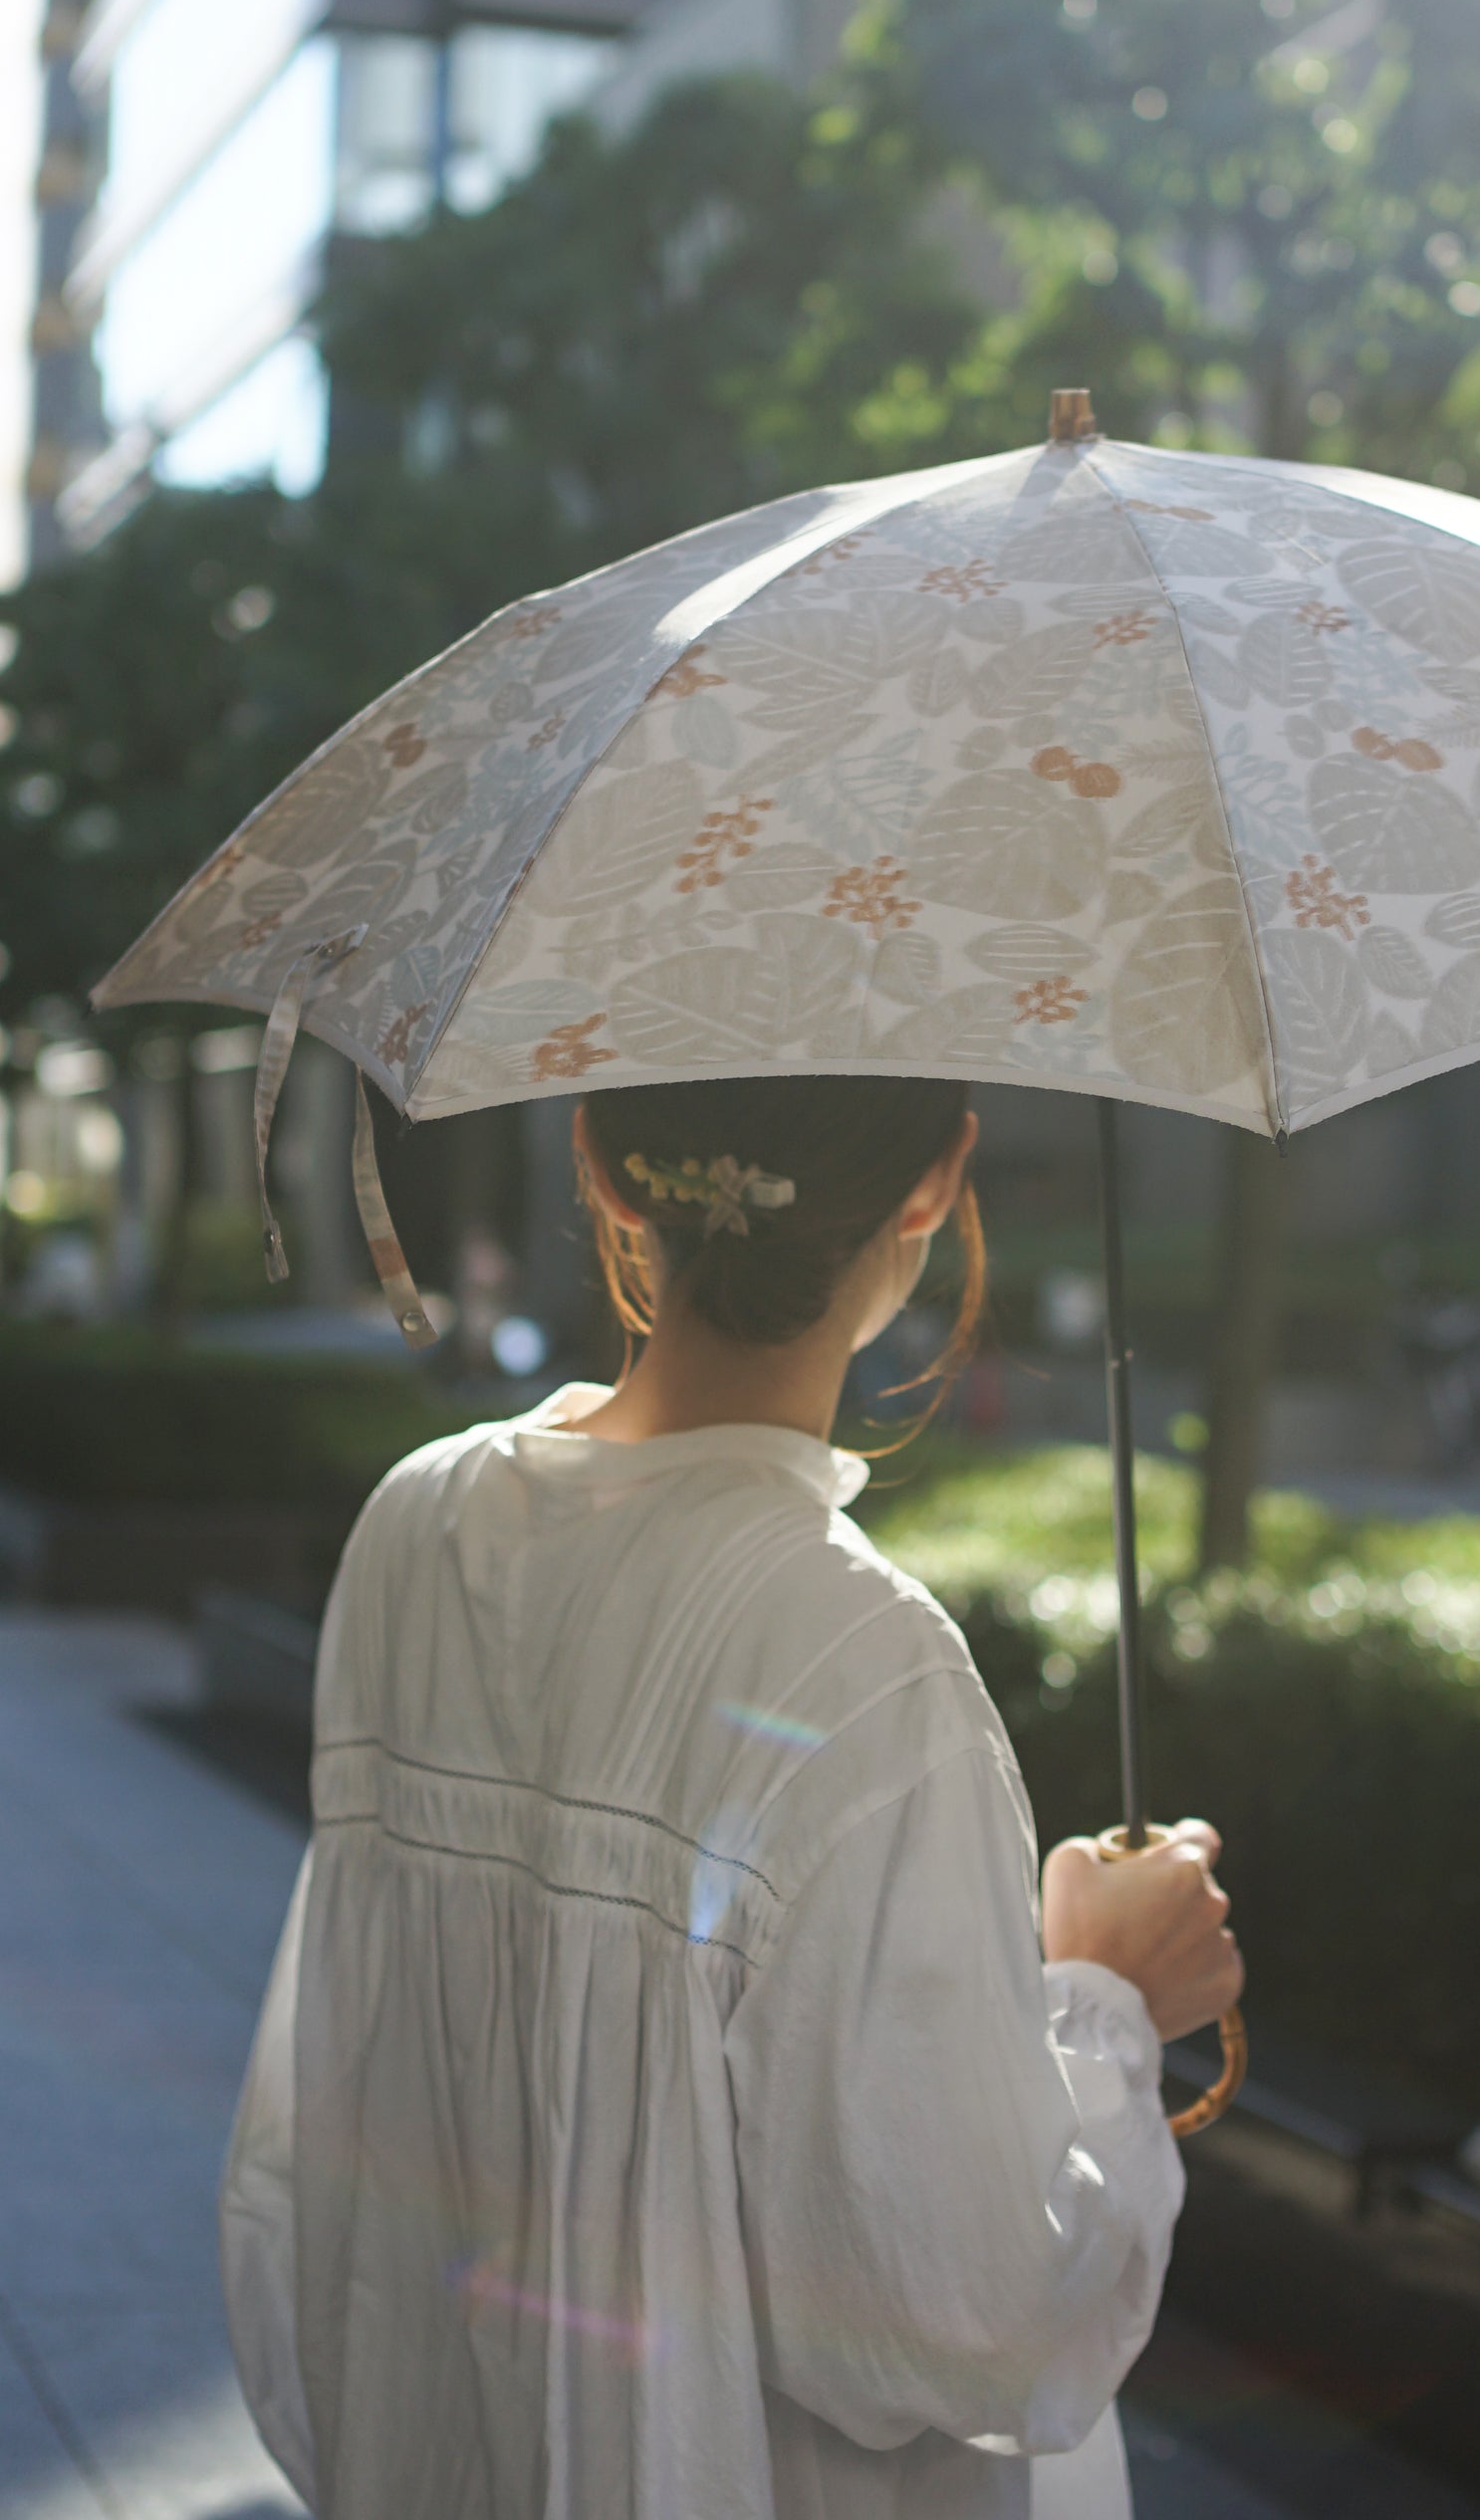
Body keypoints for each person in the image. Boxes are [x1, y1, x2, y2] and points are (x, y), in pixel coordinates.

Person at [221, 1074, 1241, 2519]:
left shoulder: (418, 1523)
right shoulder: (867, 1664)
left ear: (601, 1161)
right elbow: (974, 2320)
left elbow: (329, 2148)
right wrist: (1106, 1996)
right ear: (939, 1181)